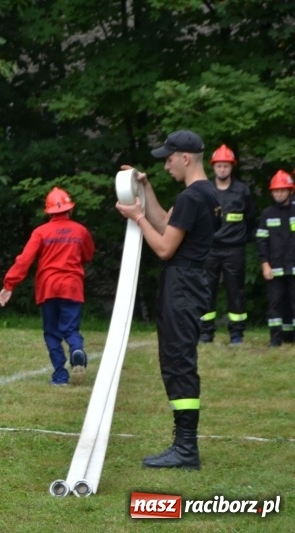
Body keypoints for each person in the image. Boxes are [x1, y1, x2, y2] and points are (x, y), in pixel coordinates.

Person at [115, 129, 219, 469]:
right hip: (189, 284)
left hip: (184, 286)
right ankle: (184, 445)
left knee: (178, 364)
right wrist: (145, 189)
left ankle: (186, 449)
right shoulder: (203, 193)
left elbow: (163, 246)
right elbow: (166, 223)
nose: (166, 166)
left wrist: (137, 217)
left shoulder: (192, 198)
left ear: (185, 158)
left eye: (169, 159)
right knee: (177, 362)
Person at [0, 186, 94, 386]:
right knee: (71, 329)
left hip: (48, 287)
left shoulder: (40, 232)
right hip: (72, 286)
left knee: (52, 332)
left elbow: (24, 260)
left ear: (48, 211)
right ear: (70, 209)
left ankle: (60, 376)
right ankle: (76, 349)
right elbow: (87, 255)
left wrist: (9, 284)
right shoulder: (81, 230)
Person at [199, 144, 255, 345]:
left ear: (232, 167)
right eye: (219, 166)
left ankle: (236, 334)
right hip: (210, 249)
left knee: (236, 291)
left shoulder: (242, 190)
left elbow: (250, 218)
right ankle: (206, 334)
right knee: (206, 290)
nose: (222, 169)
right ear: (213, 167)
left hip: (234, 249)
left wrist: (242, 238)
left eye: (226, 166)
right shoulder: (206, 190)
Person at [255, 170, 295, 348]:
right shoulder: (267, 214)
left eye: (282, 190)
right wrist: (265, 264)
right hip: (275, 269)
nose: (278, 193)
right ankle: (275, 339)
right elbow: (262, 241)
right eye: (275, 191)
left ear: (290, 191)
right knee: (275, 304)